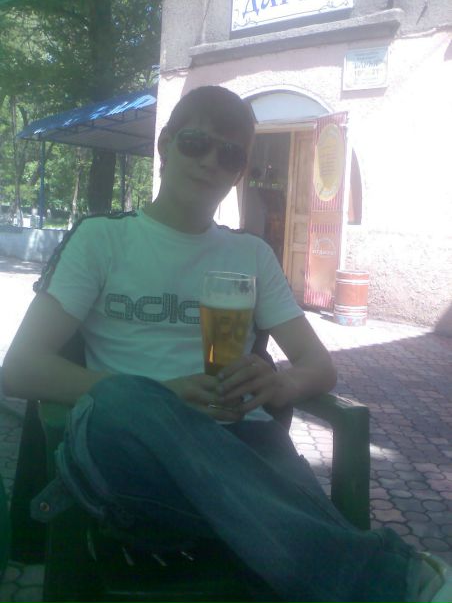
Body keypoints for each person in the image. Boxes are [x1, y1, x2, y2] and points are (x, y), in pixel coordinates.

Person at [3, 86, 451, 602]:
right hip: (137, 446)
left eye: (230, 154)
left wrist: (281, 384)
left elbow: (318, 366)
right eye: (196, 143)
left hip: (243, 442)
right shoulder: (103, 239)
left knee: (258, 517)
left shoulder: (251, 255)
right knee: (121, 397)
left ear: (239, 172)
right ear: (165, 145)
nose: (211, 162)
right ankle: (397, 580)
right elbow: (20, 367)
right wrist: (163, 394)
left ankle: (317, 558)